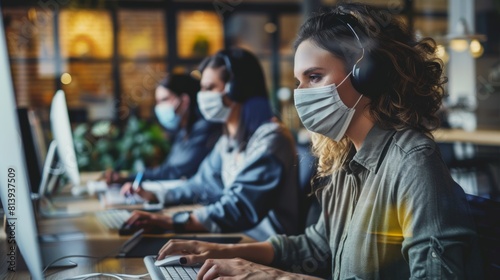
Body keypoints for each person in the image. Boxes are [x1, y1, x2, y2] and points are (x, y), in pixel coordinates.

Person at [155, 3, 483, 279]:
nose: (301, 94)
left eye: (314, 77)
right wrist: (221, 251)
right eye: (299, 81)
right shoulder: (345, 159)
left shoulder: (412, 162)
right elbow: (317, 246)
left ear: (367, 75)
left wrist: (273, 275)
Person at [124, 48, 301, 241]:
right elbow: (201, 184)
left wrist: (171, 221)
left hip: (265, 245)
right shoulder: (229, 139)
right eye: (201, 88)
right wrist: (156, 195)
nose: (202, 96)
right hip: (238, 236)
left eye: (209, 88)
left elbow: (239, 207)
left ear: (235, 90)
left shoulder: (272, 138)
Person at [105, 74, 222, 188]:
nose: (159, 107)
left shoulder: (205, 129)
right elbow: (168, 168)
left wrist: (129, 178)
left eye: (164, 99)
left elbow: (176, 171)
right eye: (157, 101)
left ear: (184, 101)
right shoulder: (183, 131)